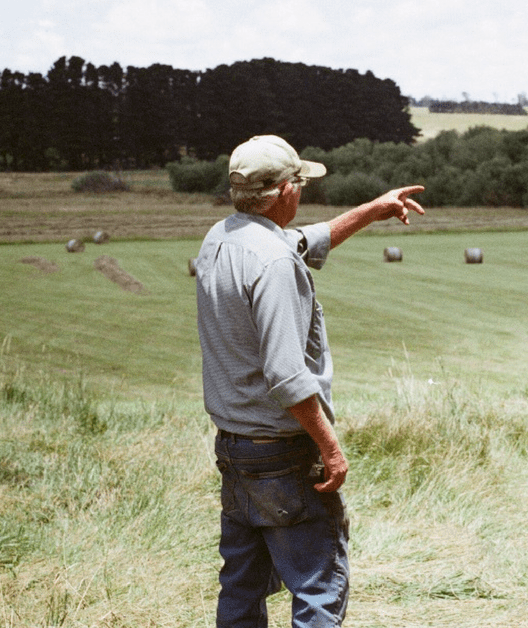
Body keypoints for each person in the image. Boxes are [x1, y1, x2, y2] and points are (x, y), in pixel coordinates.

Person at [195, 135, 424, 627]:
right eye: (299, 181)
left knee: (241, 586)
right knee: (319, 587)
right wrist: (330, 446)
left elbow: (308, 239)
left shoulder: (222, 238)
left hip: (235, 448)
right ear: (282, 192)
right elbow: (286, 375)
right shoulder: (275, 264)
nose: (303, 191)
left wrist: (374, 209)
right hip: (283, 453)